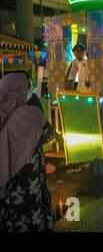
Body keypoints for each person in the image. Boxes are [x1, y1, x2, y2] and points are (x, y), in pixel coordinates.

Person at [0, 73, 57, 232]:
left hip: (9, 188)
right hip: (30, 180)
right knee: (34, 215)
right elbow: (49, 134)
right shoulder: (32, 114)